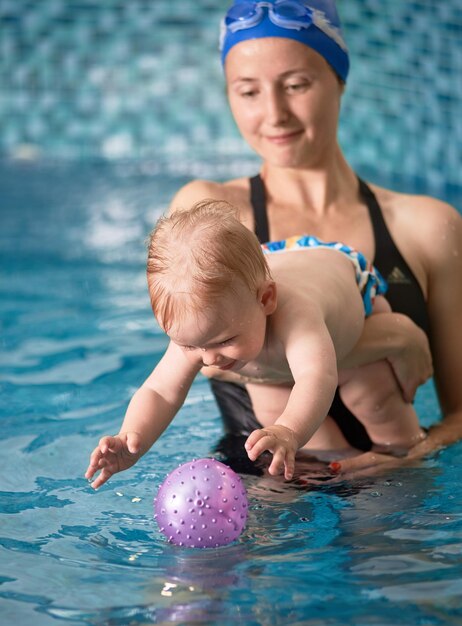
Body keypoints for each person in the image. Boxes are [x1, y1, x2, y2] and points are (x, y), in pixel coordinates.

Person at [168, 0, 462, 473]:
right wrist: (395, 336)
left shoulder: (427, 226)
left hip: (398, 485)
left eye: (296, 85)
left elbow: (460, 416)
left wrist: (411, 460)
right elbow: (202, 357)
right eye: (248, 92)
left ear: (339, 80)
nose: (274, 114)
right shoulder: (212, 212)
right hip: (261, 485)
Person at [85, 201, 426, 488]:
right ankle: (326, 470)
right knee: (270, 417)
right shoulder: (204, 328)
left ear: (266, 299)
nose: (208, 359)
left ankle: (401, 454)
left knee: (370, 391)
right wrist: (132, 440)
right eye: (191, 347)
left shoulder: (297, 314)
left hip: (341, 279)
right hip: (264, 279)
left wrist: (289, 430)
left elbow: (317, 378)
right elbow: (160, 390)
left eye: (224, 341)